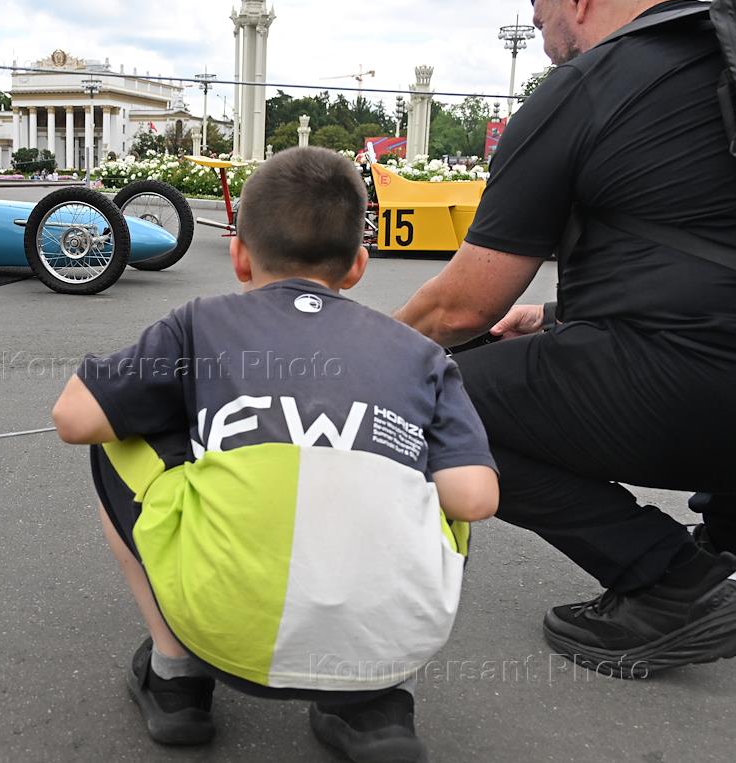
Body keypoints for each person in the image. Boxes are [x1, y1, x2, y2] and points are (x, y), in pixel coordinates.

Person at [52, 147, 499, 762]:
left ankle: (176, 675)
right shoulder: (421, 354)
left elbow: (73, 417)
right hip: (388, 644)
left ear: (239, 256)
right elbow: (476, 497)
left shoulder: (200, 324)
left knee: (115, 433)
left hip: (223, 630)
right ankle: (376, 700)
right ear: (358, 265)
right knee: (439, 483)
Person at [393, 0, 736, 678]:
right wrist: (555, 316)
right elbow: (730, 259)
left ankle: (673, 584)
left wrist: (361, 354)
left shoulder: (590, 84)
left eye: (540, 24)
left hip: (706, 396)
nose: (545, 45)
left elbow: (462, 307)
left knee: (430, 398)